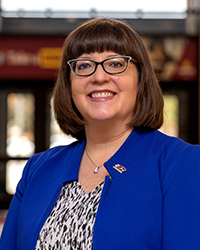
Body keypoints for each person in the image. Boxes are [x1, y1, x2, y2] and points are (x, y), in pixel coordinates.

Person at [0, 18, 200, 250]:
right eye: (84, 65)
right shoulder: (38, 169)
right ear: (69, 83)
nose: (98, 76)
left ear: (141, 78)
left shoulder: (182, 164)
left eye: (115, 64)